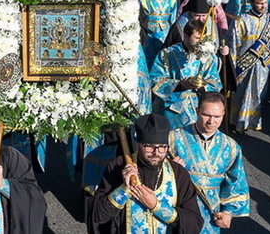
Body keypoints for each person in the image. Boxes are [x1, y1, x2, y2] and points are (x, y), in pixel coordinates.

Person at [90, 113, 203, 233]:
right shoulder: (118, 166)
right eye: (149, 147)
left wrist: (156, 206)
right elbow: (98, 215)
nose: (156, 153)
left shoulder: (178, 172)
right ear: (138, 144)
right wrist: (124, 189)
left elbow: (194, 224)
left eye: (162, 147)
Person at [169, 92, 250, 232]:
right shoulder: (173, 138)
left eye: (217, 117)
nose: (211, 122)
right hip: (180, 207)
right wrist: (171, 169)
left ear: (224, 114)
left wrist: (228, 212)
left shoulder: (231, 147)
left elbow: (236, 182)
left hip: (211, 212)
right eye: (206, 115)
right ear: (197, 111)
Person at [151, 20, 222, 130]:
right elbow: (155, 80)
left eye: (203, 38)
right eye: (197, 38)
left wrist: (203, 86)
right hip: (172, 109)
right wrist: (181, 85)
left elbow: (215, 82)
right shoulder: (167, 54)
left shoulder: (208, 56)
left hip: (198, 108)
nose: (201, 42)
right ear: (185, 35)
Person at [228, 0, 270, 131]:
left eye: (265, 2)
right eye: (259, 3)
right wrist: (232, 67)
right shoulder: (242, 20)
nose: (263, 6)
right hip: (244, 64)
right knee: (240, 94)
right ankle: (235, 122)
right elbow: (233, 44)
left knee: (258, 94)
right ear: (252, 3)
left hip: (262, 65)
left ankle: (252, 122)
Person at [140, 0, 178, 68]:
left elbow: (173, 18)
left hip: (165, 33)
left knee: (163, 58)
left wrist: (171, 33)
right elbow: (142, 16)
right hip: (150, 33)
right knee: (149, 57)